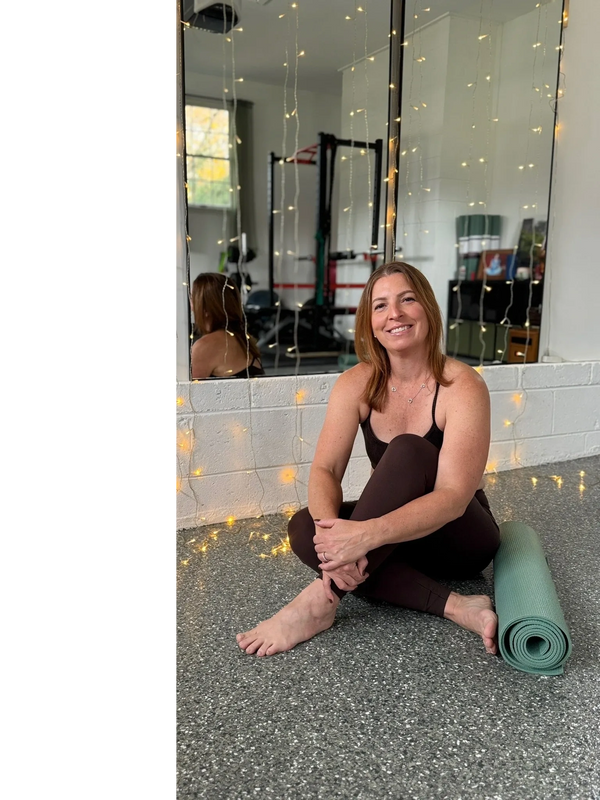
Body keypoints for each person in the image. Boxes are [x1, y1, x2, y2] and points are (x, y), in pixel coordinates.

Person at [236, 261, 501, 658]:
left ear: (427, 308)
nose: (394, 314)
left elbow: (453, 497)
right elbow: (326, 469)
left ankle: (318, 603)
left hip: (459, 537)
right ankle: (457, 605)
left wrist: (366, 535)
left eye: (407, 299)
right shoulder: (356, 383)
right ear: (369, 320)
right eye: (380, 305)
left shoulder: (462, 385)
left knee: (409, 449)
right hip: (398, 538)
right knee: (304, 526)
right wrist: (330, 537)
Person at [190, 272, 265, 379]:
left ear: (205, 308)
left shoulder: (205, 347)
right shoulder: (241, 338)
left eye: (193, 299)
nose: (191, 306)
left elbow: (186, 393)